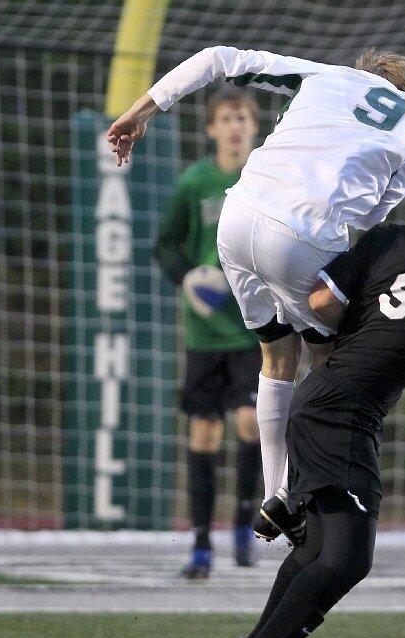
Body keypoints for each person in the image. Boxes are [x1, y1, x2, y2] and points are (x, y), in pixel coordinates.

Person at [105, 46, 405, 544]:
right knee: (331, 365)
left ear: (361, 72)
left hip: (237, 219)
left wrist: (143, 108)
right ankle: (318, 491)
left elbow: (218, 58)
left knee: (275, 360)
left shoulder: (326, 74)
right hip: (304, 238)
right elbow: (375, 215)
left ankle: (274, 495)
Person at [219, 154, 405, 638]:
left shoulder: (387, 238)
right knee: (347, 560)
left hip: (321, 399)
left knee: (318, 550)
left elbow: (321, 300)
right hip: (343, 415)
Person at [153, 87, 263, 578]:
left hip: (253, 327)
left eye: (242, 116)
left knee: (251, 423)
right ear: (211, 129)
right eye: (225, 118)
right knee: (203, 433)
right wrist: (189, 279)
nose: (235, 125)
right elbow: (166, 246)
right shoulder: (194, 183)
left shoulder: (265, 180)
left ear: (255, 127)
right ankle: (200, 545)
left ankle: (244, 525)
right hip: (205, 333)